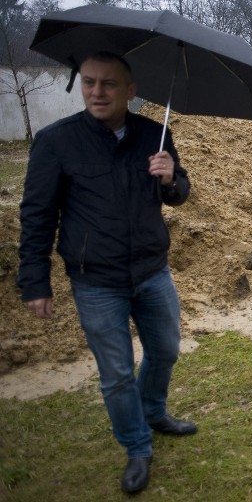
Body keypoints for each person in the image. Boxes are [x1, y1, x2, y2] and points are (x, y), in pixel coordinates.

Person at [17, 51, 196, 494]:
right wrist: (35, 281)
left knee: (166, 350)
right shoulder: (56, 142)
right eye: (89, 82)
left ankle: (152, 411)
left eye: (109, 84)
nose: (97, 92)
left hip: (152, 271)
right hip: (96, 280)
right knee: (116, 372)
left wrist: (171, 177)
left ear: (130, 91)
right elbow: (37, 215)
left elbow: (178, 196)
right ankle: (137, 447)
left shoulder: (155, 135)